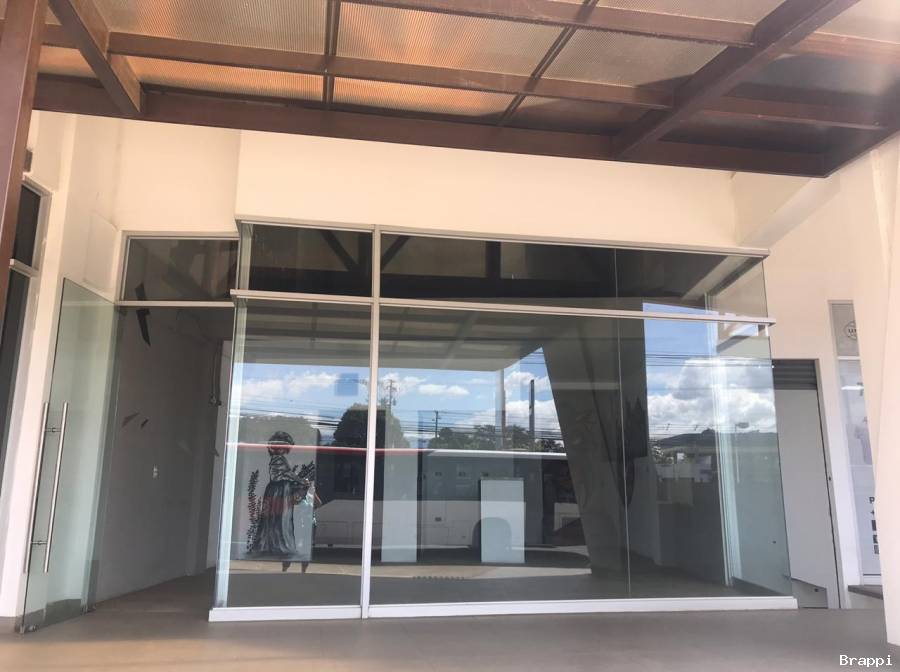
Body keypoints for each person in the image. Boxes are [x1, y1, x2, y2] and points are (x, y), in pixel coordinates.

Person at [251, 431, 315, 570]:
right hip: (279, 491)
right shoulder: (279, 459)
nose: (284, 449)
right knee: (281, 518)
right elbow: (287, 474)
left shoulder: (277, 459)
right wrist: (301, 481)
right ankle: (280, 545)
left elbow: (286, 474)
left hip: (279, 490)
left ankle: (276, 545)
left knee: (277, 518)